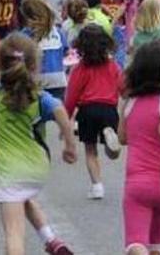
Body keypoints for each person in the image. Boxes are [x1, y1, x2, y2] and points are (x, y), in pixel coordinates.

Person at [0, 34, 78, 255]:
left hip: (8, 169)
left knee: (13, 234)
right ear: (34, 64)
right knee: (24, 196)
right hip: (37, 166)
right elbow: (59, 109)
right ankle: (51, 239)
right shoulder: (38, 97)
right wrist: (69, 144)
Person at [118, 40, 160, 255]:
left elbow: (122, 137)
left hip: (138, 182)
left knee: (136, 242)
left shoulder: (130, 101)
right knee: (158, 243)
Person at [64, 23, 124, 200]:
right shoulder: (113, 66)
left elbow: (71, 97)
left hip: (88, 110)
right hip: (109, 108)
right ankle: (108, 134)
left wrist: (66, 120)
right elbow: (123, 87)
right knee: (110, 151)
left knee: (90, 150)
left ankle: (97, 186)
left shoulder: (80, 69)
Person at [19, 0, 69, 101]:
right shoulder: (57, 32)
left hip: (37, 80)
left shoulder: (24, 35)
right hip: (58, 80)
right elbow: (66, 52)